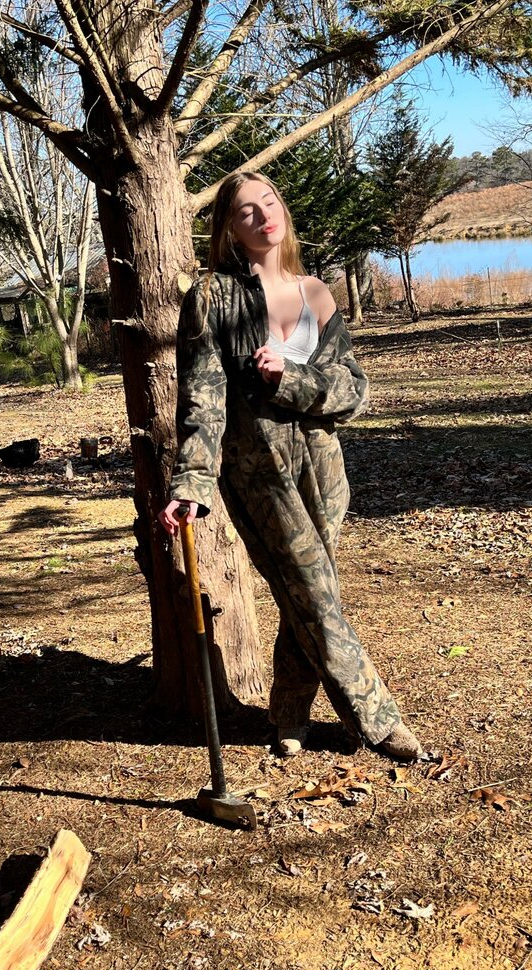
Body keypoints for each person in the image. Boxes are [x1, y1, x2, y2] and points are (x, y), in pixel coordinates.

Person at [158, 171, 422, 761]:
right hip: (260, 473)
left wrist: (292, 378)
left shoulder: (317, 293)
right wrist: (192, 480)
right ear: (229, 228)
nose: (263, 215)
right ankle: (379, 721)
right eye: (245, 210)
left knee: (306, 594)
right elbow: (202, 399)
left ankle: (288, 716)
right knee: (314, 593)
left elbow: (354, 391)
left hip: (325, 468)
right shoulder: (211, 297)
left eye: (269, 201)